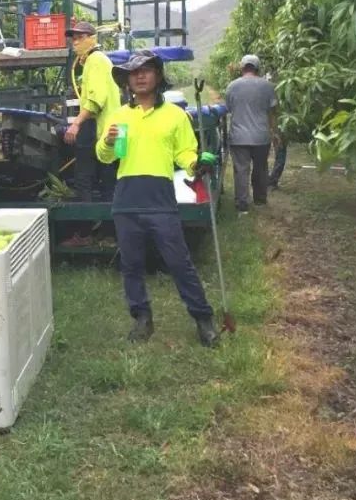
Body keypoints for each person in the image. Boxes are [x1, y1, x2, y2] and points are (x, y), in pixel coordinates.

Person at [97, 49, 220, 347]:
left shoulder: (175, 116)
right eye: (133, 72)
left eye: (146, 70)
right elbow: (105, 156)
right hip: (126, 199)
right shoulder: (119, 116)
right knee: (131, 265)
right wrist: (109, 142)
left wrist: (196, 164)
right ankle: (142, 318)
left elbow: (184, 153)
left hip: (160, 199)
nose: (139, 76)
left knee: (179, 262)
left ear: (158, 76)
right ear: (127, 80)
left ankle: (203, 318)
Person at [61, 21, 120, 247]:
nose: (75, 42)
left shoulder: (95, 60)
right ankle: (109, 234)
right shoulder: (100, 61)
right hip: (114, 129)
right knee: (110, 181)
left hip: (101, 129)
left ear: (91, 38)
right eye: (73, 38)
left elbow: (95, 100)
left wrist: (76, 124)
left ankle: (86, 233)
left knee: (84, 179)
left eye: (80, 37)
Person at [224, 54, 278, 213]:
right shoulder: (268, 86)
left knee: (241, 170)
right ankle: (260, 200)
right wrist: (274, 132)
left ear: (242, 67)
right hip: (261, 136)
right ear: (257, 68)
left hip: (238, 137)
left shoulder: (232, 86)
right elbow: (273, 112)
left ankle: (242, 206)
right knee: (261, 168)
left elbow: (229, 108)